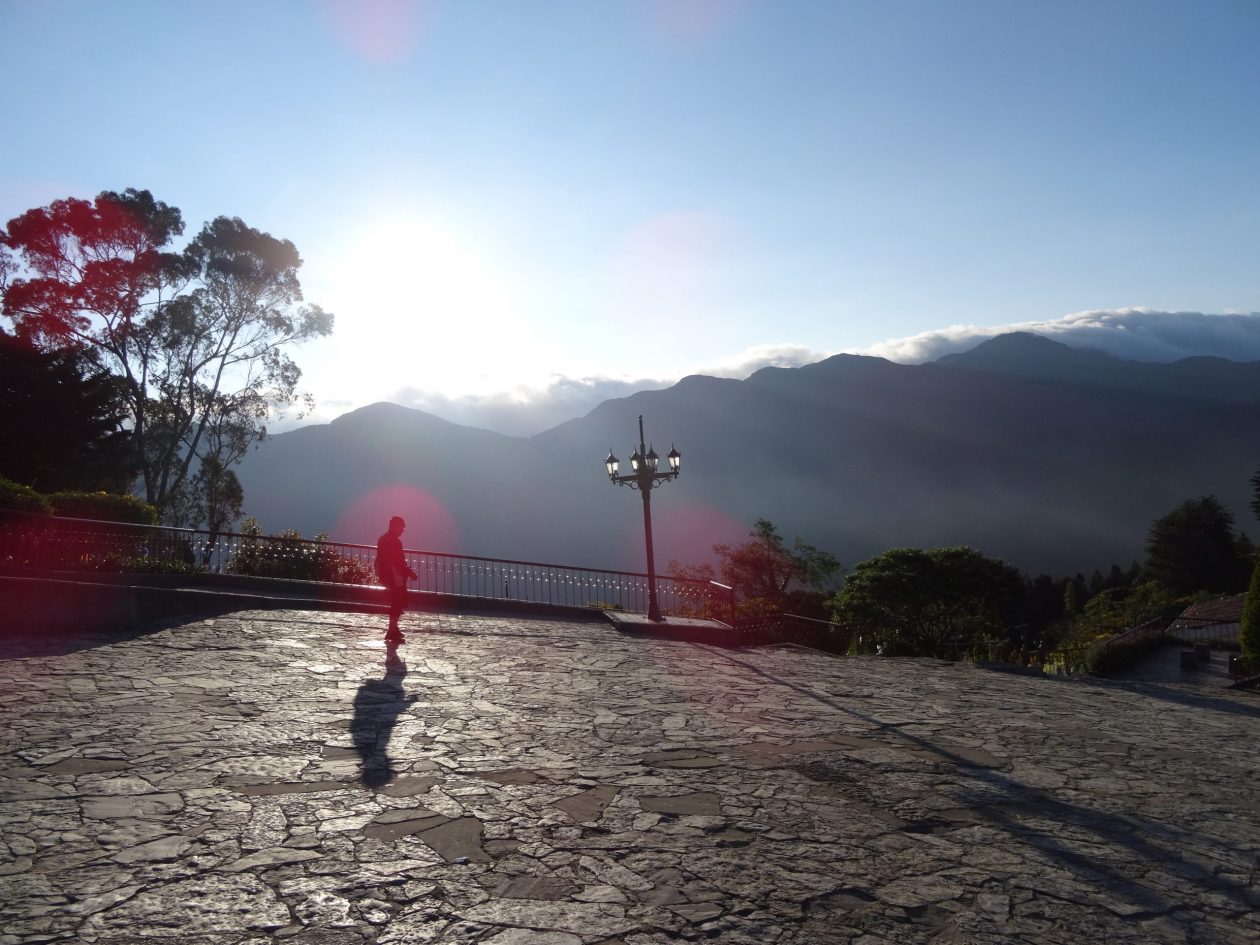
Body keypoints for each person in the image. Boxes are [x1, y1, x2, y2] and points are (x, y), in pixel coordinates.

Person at [375, 515, 417, 644]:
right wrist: (409, 573)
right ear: (394, 526)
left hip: (387, 575)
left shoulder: (383, 538)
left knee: (397, 602)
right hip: (395, 576)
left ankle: (394, 629)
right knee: (397, 603)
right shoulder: (394, 541)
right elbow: (398, 561)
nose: (403, 530)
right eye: (402, 527)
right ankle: (391, 631)